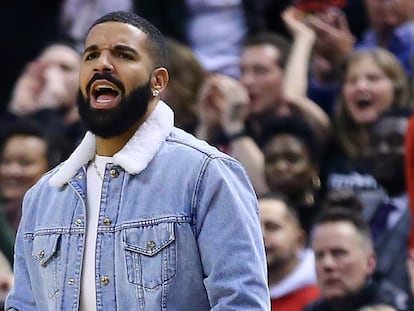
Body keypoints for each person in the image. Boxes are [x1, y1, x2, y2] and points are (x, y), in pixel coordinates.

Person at [5, 11, 269, 310]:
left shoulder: (205, 174)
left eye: (123, 54)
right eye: (91, 56)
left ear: (157, 81)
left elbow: (241, 303)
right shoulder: (44, 195)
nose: (102, 64)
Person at [304, 208, 410, 311]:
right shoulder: (313, 309)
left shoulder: (398, 306)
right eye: (319, 256)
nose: (327, 264)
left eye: (338, 253)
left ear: (369, 263)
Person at [259, 193, 319, 310]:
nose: (260, 235)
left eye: (272, 227)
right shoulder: (231, 292)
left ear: (300, 239)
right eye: (254, 227)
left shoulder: (323, 295)